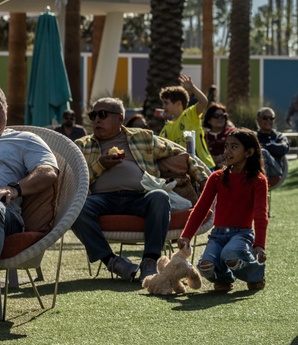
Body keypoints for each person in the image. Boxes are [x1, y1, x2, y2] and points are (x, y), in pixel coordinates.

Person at [72, 97, 210, 282]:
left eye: (103, 114)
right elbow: (74, 181)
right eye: (93, 115)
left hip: (140, 196)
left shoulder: (142, 137)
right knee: (76, 207)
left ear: (120, 118)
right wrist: (100, 165)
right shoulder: (82, 145)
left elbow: (182, 155)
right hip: (101, 199)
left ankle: (149, 262)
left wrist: (204, 181)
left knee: (159, 196)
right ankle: (112, 262)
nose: (97, 119)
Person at [178, 128, 268, 292]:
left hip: (242, 234)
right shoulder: (216, 177)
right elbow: (200, 209)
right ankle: (224, 278)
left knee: (230, 253)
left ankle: (256, 274)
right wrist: (186, 236)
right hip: (218, 235)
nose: (226, 151)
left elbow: (260, 215)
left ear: (248, 152)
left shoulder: (258, 180)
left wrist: (259, 245)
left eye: (234, 147)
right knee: (205, 266)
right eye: (226, 146)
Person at [0, 88, 59, 286]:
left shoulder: (24, 139)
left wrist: (13, 189)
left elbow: (48, 171)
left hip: (5, 212)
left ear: (6, 110)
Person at [159, 74, 214, 170]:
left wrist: (192, 88)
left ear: (178, 104)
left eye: (166, 103)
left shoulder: (189, 115)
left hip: (203, 166)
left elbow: (203, 102)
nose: (163, 107)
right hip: (184, 169)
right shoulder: (167, 127)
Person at [255, 107, 290, 180]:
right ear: (258, 120)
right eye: (265, 118)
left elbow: (283, 148)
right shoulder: (254, 137)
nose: (268, 120)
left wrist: (265, 147)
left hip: (275, 170)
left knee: (263, 152)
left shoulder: (279, 136)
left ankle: (263, 184)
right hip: (255, 168)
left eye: (271, 118)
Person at [202, 102, 236, 169]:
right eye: (216, 116)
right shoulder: (204, 136)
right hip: (210, 168)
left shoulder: (232, 133)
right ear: (209, 120)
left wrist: (223, 156)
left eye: (223, 116)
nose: (220, 118)